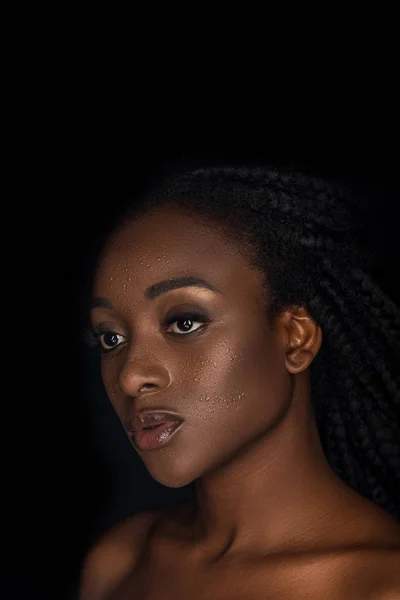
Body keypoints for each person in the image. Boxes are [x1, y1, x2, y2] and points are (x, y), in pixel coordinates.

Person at [79, 163, 400, 599]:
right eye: (111, 337)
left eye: (185, 323)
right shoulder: (121, 562)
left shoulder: (380, 585)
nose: (132, 376)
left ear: (294, 339)